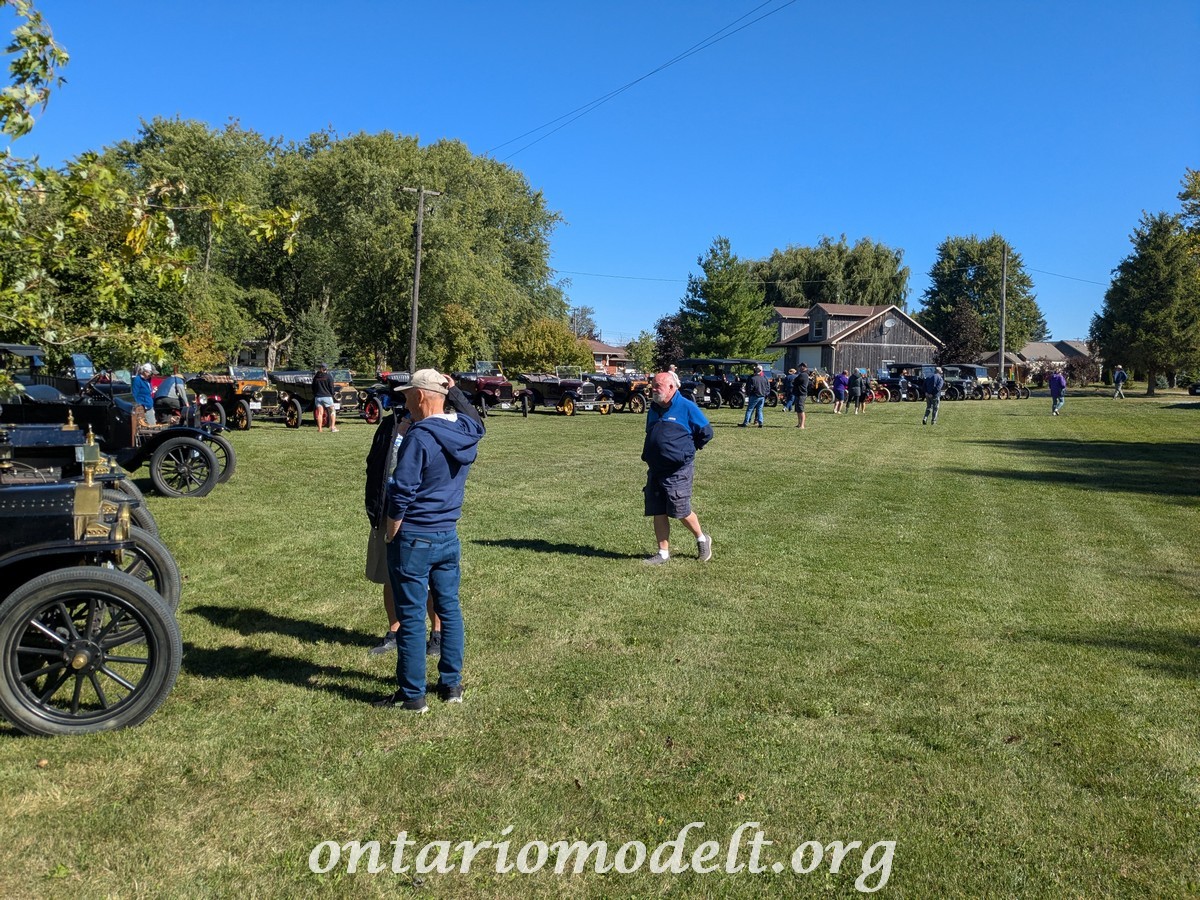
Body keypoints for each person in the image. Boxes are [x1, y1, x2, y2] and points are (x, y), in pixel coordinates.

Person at [374, 369, 485, 713]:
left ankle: (413, 695)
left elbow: (401, 491)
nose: (405, 402)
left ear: (420, 396)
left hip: (415, 537)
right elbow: (477, 422)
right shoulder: (464, 431)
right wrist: (457, 393)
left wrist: (392, 532)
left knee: (410, 618)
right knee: (449, 611)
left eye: (408, 395)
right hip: (447, 535)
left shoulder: (420, 437)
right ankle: (451, 685)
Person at [642, 372, 713, 566]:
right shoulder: (653, 408)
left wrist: (686, 450)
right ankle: (663, 553)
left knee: (680, 509)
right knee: (658, 509)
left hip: (678, 469)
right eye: (652, 385)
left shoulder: (687, 407)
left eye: (657, 386)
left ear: (672, 388)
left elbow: (706, 433)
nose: (653, 389)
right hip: (656, 468)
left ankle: (702, 538)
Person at [312, 362, 337, 432]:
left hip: (318, 397)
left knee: (320, 413)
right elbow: (331, 387)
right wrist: (332, 394)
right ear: (326, 368)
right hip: (327, 396)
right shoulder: (328, 376)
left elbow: (313, 387)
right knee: (332, 411)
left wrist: (315, 394)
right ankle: (332, 427)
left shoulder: (316, 377)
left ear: (320, 368)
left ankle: (320, 429)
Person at [792, 363, 810, 428]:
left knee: (801, 409)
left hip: (801, 394)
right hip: (798, 393)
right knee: (798, 410)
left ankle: (802, 425)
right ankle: (799, 423)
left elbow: (795, 381)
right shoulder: (803, 374)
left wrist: (794, 381)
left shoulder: (803, 375)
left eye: (799, 367)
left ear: (803, 367)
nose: (799, 368)